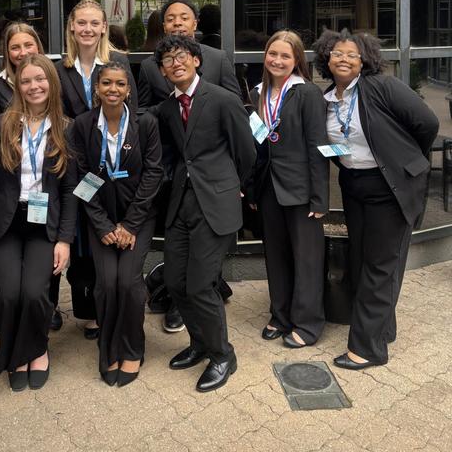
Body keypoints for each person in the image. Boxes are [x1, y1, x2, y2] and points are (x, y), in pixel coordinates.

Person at [313, 29, 438, 370]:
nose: (343, 58)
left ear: (365, 60)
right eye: (337, 52)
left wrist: (406, 158)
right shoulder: (327, 99)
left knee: (381, 265)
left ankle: (368, 349)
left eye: (352, 54)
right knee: (365, 258)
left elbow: (427, 123)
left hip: (390, 186)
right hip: (355, 185)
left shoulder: (383, 87)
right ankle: (384, 329)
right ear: (326, 57)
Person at [154, 35, 256, 392]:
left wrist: (232, 186)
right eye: (167, 60)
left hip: (216, 204)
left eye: (181, 55)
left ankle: (223, 355)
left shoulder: (224, 99)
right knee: (175, 283)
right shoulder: (168, 108)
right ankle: (199, 344)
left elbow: (246, 152)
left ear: (196, 60)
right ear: (163, 71)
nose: (174, 62)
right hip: (180, 206)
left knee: (200, 285)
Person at [0, 54, 78, 391]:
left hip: (44, 225)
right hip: (7, 223)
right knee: (8, 295)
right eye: (26, 80)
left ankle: (37, 350)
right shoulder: (2, 124)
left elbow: (70, 190)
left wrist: (65, 240)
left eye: (40, 79)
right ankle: (17, 352)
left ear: (52, 82)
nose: (34, 86)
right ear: (18, 86)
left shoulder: (67, 128)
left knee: (34, 293)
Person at [138, 0, 241, 332]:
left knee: (204, 264)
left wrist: (234, 181)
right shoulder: (152, 65)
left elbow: (237, 125)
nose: (178, 23)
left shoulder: (218, 60)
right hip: (174, 174)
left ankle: (212, 328)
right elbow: (145, 113)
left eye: (184, 17)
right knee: (180, 257)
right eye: (170, 18)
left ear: (195, 24)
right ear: (162, 25)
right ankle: (179, 308)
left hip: (214, 179)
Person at [72, 60, 163, 386]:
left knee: (128, 283)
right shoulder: (82, 126)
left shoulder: (145, 123)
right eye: (106, 83)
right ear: (97, 89)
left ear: (128, 90)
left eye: (120, 84)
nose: (113, 89)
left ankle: (133, 349)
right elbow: (81, 178)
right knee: (106, 284)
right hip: (101, 221)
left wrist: (130, 225)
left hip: (137, 219)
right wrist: (103, 225)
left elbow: (154, 173)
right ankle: (108, 348)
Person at [55, 0, 138, 339]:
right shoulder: (61, 69)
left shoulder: (119, 63)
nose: (87, 29)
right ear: (71, 28)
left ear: (104, 27)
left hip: (117, 167)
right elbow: (53, 114)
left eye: (94, 23)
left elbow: (135, 111)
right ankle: (88, 309)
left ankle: (115, 305)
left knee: (113, 233)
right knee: (81, 242)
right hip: (78, 165)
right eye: (81, 23)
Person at [247, 30, 329, 349]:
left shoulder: (307, 93)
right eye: (272, 54)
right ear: (265, 56)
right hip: (269, 188)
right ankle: (280, 315)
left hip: (301, 190)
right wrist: (252, 190)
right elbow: (256, 146)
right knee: (276, 256)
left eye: (285, 56)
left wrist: (320, 197)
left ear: (296, 61)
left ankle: (308, 324)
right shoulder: (257, 93)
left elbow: (318, 145)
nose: (277, 60)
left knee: (306, 259)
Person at [0, 22, 44, 114]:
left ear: (38, 47)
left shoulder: (56, 77)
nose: (23, 53)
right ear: (7, 53)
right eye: (15, 48)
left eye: (28, 45)